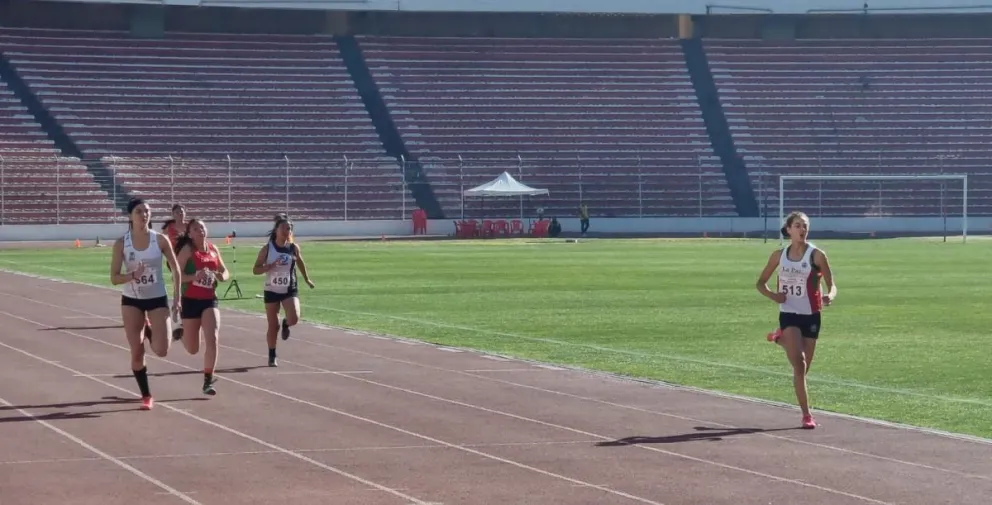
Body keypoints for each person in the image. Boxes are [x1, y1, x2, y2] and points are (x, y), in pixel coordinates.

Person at [755, 211, 836, 430]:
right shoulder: (778, 256)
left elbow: (833, 284)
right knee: (799, 365)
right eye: (798, 226)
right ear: (788, 229)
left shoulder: (817, 255)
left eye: (805, 226)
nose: (802, 230)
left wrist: (831, 295)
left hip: (811, 316)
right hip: (789, 313)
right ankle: (807, 415)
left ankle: (780, 340)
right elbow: (761, 283)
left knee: (802, 370)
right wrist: (774, 296)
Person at [109, 198, 182, 410]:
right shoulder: (122, 243)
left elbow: (176, 270)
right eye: (139, 211)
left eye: (147, 211)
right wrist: (133, 275)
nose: (144, 215)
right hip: (132, 301)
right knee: (137, 352)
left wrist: (177, 299)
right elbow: (114, 278)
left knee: (161, 350)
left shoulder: (159, 240)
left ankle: (150, 329)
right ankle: (146, 394)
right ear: (130, 216)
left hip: (157, 298)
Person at [174, 218, 230, 396]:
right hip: (190, 300)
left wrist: (222, 276)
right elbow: (177, 276)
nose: (200, 231)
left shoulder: (213, 249)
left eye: (202, 228)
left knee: (212, 337)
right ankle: (182, 334)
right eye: (196, 229)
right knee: (193, 349)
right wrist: (195, 276)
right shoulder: (187, 250)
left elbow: (225, 270)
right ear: (190, 233)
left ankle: (208, 379)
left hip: (209, 300)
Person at [252, 217, 314, 367]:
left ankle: (287, 323)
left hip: (289, 288)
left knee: (294, 318)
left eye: (289, 229)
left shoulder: (293, 248)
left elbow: (300, 262)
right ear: (276, 230)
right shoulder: (267, 249)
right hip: (271, 289)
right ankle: (272, 354)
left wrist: (307, 279)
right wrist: (267, 267)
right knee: (273, 325)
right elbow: (255, 269)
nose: (287, 231)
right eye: (284, 228)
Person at [161, 204, 187, 341]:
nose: (180, 214)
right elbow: (160, 242)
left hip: (188, 260)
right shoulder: (169, 228)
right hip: (174, 260)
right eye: (177, 212)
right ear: (173, 214)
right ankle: (177, 307)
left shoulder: (189, 227)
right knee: (178, 283)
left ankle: (180, 308)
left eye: (182, 212)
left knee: (186, 284)